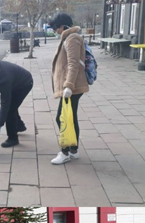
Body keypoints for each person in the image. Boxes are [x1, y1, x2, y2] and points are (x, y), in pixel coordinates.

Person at [48, 12, 89, 165]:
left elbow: (73, 64)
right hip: (72, 86)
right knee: (70, 118)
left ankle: (65, 152)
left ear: (62, 26)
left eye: (56, 28)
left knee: (62, 118)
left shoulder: (72, 39)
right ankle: (73, 150)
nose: (55, 31)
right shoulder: (69, 38)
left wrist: (68, 86)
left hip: (72, 87)